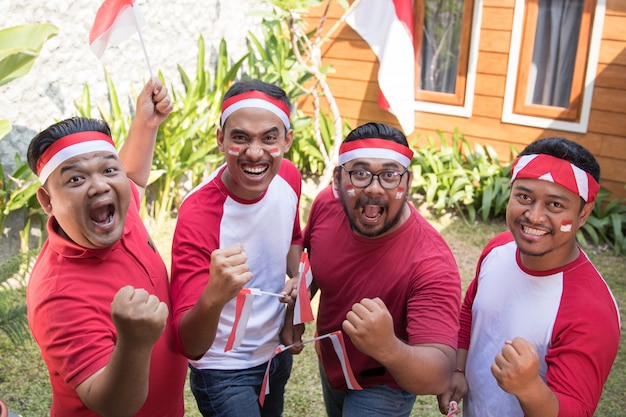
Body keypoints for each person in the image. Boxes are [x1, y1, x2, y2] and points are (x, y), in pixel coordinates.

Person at [26, 78, 188, 417]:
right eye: (76, 179)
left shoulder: (120, 211)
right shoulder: (57, 295)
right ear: (47, 200)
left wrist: (145, 125)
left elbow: (134, 179)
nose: (101, 185)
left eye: (108, 169)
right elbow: (113, 406)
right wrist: (134, 342)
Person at [437, 137, 621, 417]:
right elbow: (472, 311)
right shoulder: (498, 248)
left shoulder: (591, 310)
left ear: (583, 213)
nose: (534, 216)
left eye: (555, 205)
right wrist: (458, 369)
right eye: (524, 197)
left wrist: (529, 388)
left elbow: (576, 410)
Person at [302, 122, 462, 417]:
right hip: (334, 363)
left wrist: (387, 347)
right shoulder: (327, 205)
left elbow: (440, 371)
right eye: (360, 173)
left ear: (407, 183)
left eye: (389, 175)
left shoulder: (431, 263)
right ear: (337, 180)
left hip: (385, 381)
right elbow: (312, 256)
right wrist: (298, 306)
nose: (374, 188)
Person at [169, 79, 303, 417]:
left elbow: (293, 239)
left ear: (287, 140)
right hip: (222, 369)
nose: (255, 153)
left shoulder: (288, 177)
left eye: (269, 138)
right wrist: (215, 293)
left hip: (275, 354)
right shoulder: (198, 214)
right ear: (220, 139)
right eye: (240, 137)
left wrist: (296, 278)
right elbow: (190, 344)